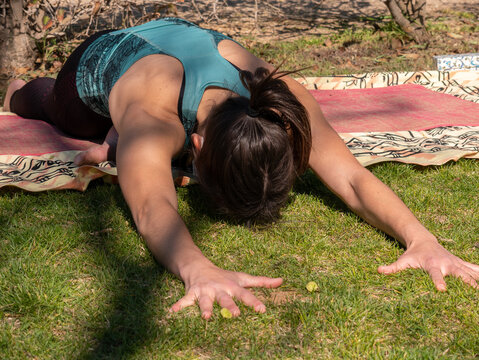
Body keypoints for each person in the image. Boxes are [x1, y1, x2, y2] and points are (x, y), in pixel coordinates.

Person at [3, 18, 478, 319]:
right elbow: (151, 205)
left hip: (181, 44)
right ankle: (26, 92)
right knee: (43, 104)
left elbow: (352, 176)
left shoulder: (276, 100)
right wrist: (198, 269)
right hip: (107, 58)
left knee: (133, 156)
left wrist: (425, 241)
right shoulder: (153, 117)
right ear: (194, 144)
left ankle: (116, 149)